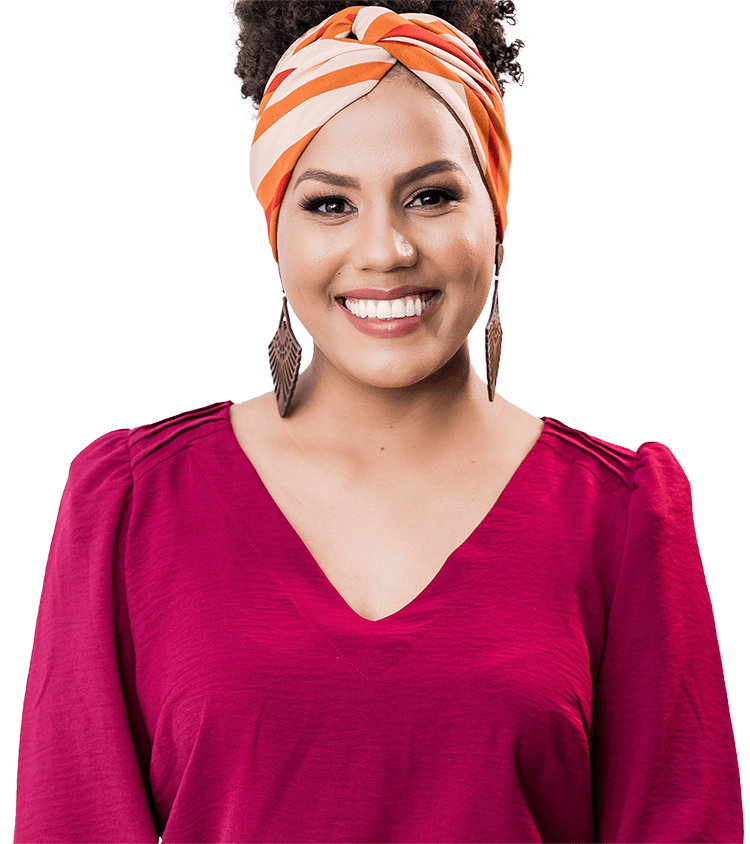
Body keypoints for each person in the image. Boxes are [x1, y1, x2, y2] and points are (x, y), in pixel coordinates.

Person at [13, 2, 744, 842]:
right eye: (330, 205)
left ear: (495, 216)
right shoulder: (128, 504)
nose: (386, 249)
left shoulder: (623, 516)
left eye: (430, 196)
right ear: (275, 230)